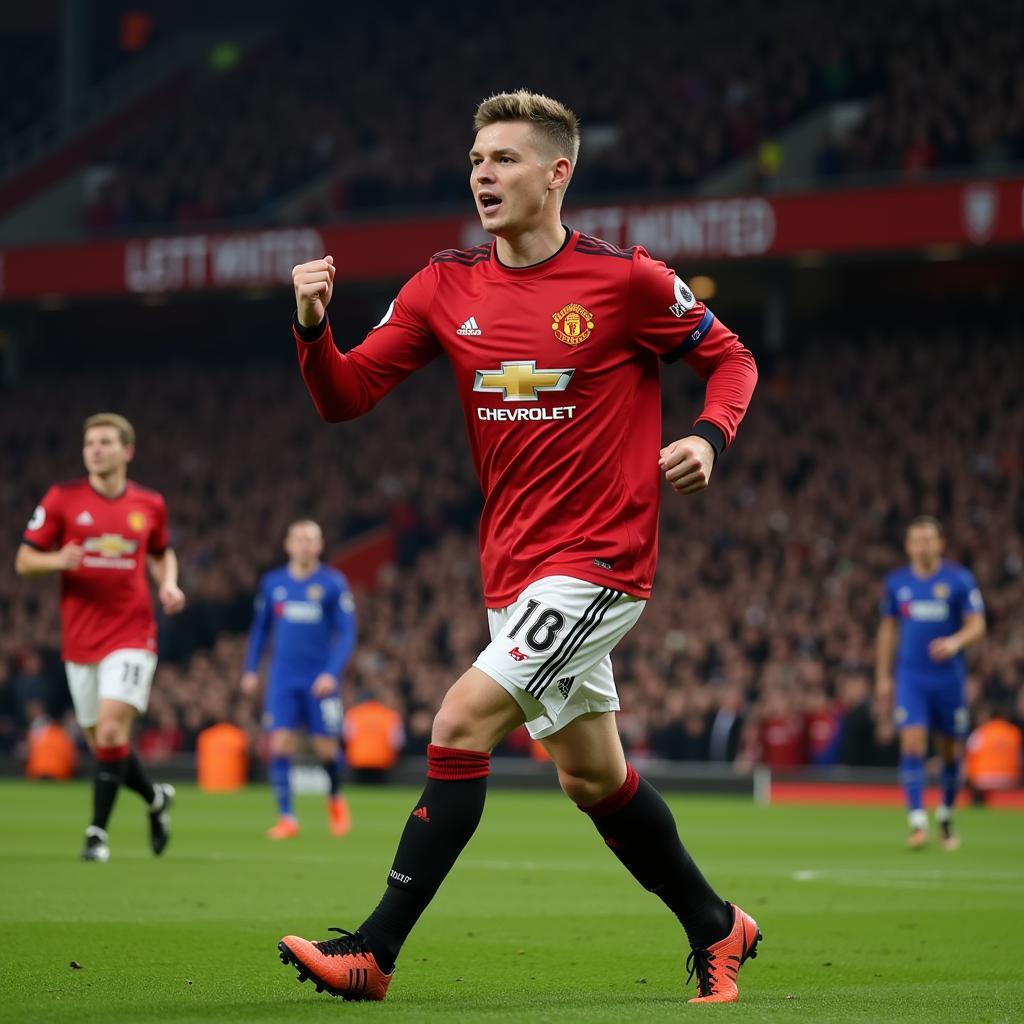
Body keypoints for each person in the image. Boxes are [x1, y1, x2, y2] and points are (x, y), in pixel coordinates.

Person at [280, 91, 759, 1005]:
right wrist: (311, 330)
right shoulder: (441, 285)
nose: (484, 176)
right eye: (476, 162)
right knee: (592, 778)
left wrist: (708, 436)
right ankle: (716, 924)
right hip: (512, 567)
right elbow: (344, 397)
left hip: (601, 560)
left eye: (503, 160)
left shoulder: (628, 282)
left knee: (458, 723)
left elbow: (731, 358)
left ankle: (373, 952)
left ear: (557, 173)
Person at [15, 412, 185, 861]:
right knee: (105, 744)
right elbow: (24, 560)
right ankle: (155, 799)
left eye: (106, 442)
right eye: (90, 442)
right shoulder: (62, 499)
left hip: (132, 631)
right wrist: (58, 560)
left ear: (127, 451)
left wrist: (167, 583)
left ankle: (97, 834)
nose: (95, 449)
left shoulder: (149, 504)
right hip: (80, 640)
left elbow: (161, 553)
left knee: (111, 728)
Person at [876, 516, 986, 850]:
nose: (921, 546)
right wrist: (883, 676)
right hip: (911, 677)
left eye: (927, 539)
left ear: (940, 544)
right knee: (912, 741)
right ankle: (917, 822)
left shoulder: (959, 580)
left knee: (951, 750)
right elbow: (888, 630)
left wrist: (955, 642)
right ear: (908, 546)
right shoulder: (897, 583)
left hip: (948, 679)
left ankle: (947, 815)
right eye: (915, 540)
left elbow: (977, 624)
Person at [241, 521, 356, 838]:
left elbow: (346, 633)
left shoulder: (333, 583)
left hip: (319, 679)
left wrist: (331, 674)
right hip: (282, 678)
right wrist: (251, 669)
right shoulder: (273, 583)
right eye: (299, 539)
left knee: (326, 749)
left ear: (319, 546)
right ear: (287, 544)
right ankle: (287, 817)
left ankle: (334, 799)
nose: (305, 545)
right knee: (279, 742)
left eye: (311, 540)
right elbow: (260, 630)